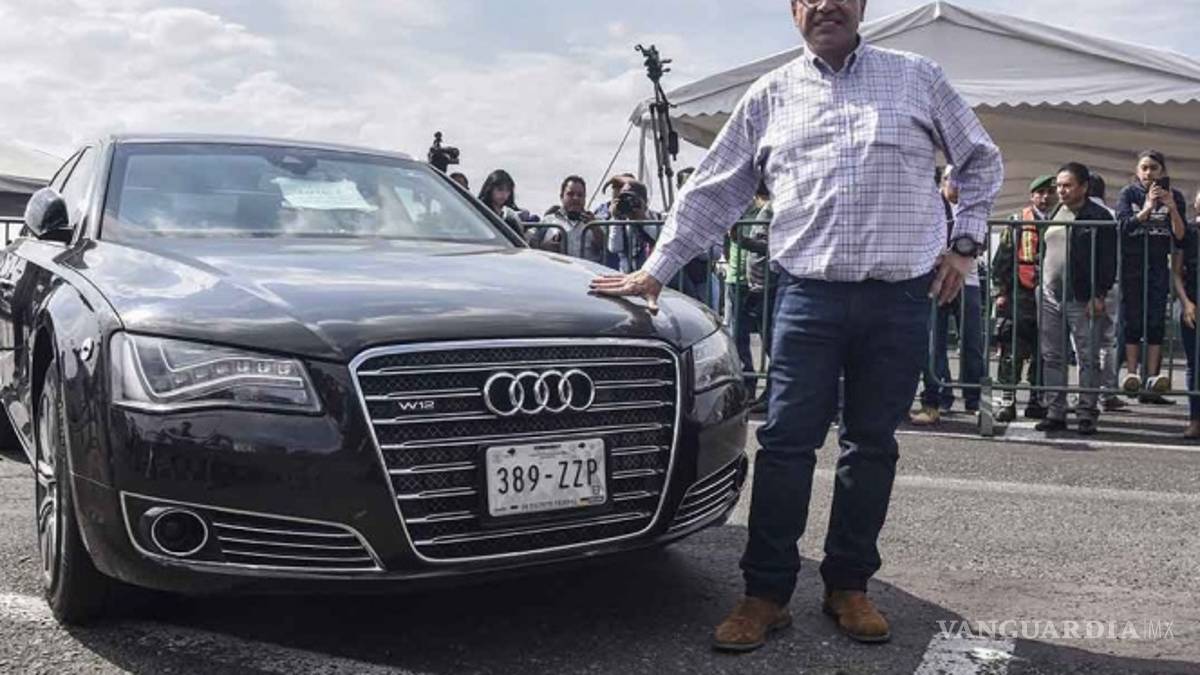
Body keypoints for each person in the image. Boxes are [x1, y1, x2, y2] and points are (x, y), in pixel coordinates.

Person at [591, 0, 1002, 651]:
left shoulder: (917, 76)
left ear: (862, 5)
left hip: (897, 299)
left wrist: (966, 242)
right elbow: (716, 187)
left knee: (871, 445)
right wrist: (656, 270)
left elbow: (980, 159)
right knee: (785, 444)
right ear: (794, 10)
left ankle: (849, 585)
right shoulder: (770, 94)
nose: (825, 4)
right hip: (808, 297)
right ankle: (765, 594)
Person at [1036, 163, 1117, 435]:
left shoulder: (1099, 216)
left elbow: (1108, 260)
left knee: (1087, 356)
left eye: (1067, 185)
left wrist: (1099, 294)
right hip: (1050, 295)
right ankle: (1055, 411)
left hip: (1083, 297)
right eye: (1059, 185)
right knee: (1052, 356)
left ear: (1083, 187)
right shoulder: (1054, 211)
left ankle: (1086, 412)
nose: (1061, 190)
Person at [911, 167, 985, 424]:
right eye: (955, 180)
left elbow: (980, 240)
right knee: (935, 344)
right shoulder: (930, 203)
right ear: (943, 181)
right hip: (934, 279)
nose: (960, 185)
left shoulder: (973, 206)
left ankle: (975, 399)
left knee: (972, 342)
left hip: (968, 280)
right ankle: (936, 398)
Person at [1115, 151, 1188, 403]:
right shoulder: (1128, 194)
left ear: (1162, 172)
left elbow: (1180, 235)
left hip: (1158, 265)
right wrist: (1146, 210)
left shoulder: (1175, 196)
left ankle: (1153, 380)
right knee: (1132, 321)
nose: (1149, 173)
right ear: (1137, 171)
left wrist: (1172, 208)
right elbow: (1123, 227)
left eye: (1154, 168)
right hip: (1132, 265)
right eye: (1144, 168)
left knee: (1156, 321)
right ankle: (1132, 375)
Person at [991, 175, 1054, 422]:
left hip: (1050, 293)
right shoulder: (1017, 221)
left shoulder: (1060, 220)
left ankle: (1037, 400)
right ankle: (1008, 399)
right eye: (1040, 193)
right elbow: (1003, 258)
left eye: (1049, 192)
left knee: (1044, 349)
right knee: (1012, 348)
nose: (1045, 197)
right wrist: (1001, 291)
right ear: (1032, 196)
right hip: (1020, 293)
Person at [725, 181, 774, 409]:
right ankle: (746, 389)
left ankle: (772, 391)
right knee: (737, 340)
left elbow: (768, 245)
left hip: (760, 283)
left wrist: (742, 241)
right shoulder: (733, 209)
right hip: (735, 280)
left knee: (770, 341)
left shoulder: (767, 209)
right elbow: (727, 244)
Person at [1088, 174, 1126, 412]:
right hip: (1112, 281)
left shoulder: (1078, 213)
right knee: (1108, 340)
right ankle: (1107, 391)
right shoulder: (1112, 215)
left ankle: (1087, 391)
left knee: (1084, 341)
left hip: (1084, 285)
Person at [1170, 206, 1200, 438]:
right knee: (1194, 365)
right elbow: (1177, 272)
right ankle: (1195, 420)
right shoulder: (1189, 233)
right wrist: (1186, 303)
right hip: (1193, 304)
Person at [539, 176, 606, 265]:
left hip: (587, 271)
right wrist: (544, 246)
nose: (576, 198)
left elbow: (607, 249)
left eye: (580, 195)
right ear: (561, 197)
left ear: (585, 198)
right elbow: (530, 244)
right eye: (570, 194)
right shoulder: (548, 221)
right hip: (557, 270)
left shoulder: (596, 222)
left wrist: (595, 228)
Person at [478, 169, 538, 241]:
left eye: (507, 190)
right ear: (490, 189)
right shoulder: (478, 212)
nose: (504, 194)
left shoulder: (510, 217)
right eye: (500, 189)